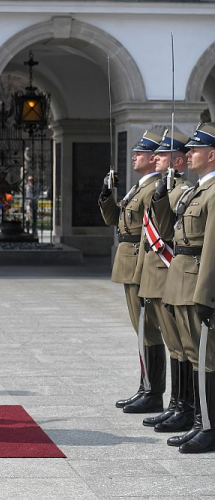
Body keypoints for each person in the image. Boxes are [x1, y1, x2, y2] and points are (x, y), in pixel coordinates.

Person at [153, 123, 215, 453]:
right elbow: (170, 230)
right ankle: (197, 420)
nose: (188, 154)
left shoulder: (214, 192)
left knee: (206, 358)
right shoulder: (196, 191)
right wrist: (162, 197)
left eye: (195, 149)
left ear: (212, 154)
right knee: (193, 355)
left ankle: (208, 425)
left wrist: (205, 294)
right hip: (180, 279)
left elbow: (212, 248)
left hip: (195, 283)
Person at [99, 131, 164, 413]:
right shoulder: (139, 187)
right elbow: (115, 219)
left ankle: (152, 391)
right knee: (140, 330)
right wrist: (106, 194)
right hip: (127, 261)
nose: (134, 156)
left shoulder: (151, 189)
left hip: (137, 263)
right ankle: (145, 387)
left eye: (140, 153)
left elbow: (146, 235)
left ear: (152, 159)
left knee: (147, 330)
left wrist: (141, 271)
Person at [137, 131, 195, 433]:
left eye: (162, 154)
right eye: (155, 153)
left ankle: (186, 407)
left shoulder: (183, 190)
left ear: (177, 160)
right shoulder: (166, 188)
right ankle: (176, 404)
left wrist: (163, 192)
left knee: (184, 346)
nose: (155, 158)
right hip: (159, 273)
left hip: (171, 272)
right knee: (175, 345)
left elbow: (165, 229)